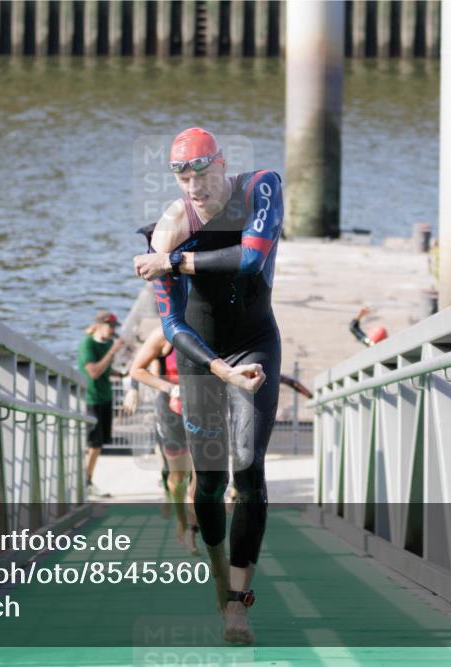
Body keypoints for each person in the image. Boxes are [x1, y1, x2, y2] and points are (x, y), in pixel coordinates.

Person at [132, 127, 283, 645]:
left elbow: (251, 258)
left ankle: (239, 602)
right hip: (202, 360)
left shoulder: (261, 187)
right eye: (182, 176)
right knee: (212, 482)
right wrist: (218, 369)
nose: (194, 186)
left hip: (256, 341)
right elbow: (173, 328)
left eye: (202, 172)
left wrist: (174, 262)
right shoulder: (170, 228)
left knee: (249, 467)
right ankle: (221, 580)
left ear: (222, 164)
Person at [126, 327, 199, 555]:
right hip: (170, 409)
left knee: (199, 476)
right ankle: (180, 518)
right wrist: (135, 389)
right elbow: (138, 366)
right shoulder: (165, 333)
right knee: (178, 479)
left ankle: (191, 531)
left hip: (202, 408)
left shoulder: (209, 328)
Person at [77, 311, 125, 498]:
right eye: (110, 326)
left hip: (105, 397)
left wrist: (121, 373)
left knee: (98, 445)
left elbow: (105, 368)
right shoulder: (87, 344)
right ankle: (86, 482)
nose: (113, 330)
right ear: (98, 325)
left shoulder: (108, 344)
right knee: (94, 444)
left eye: (114, 327)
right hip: (91, 398)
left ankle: (87, 479)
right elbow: (94, 372)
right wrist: (113, 351)